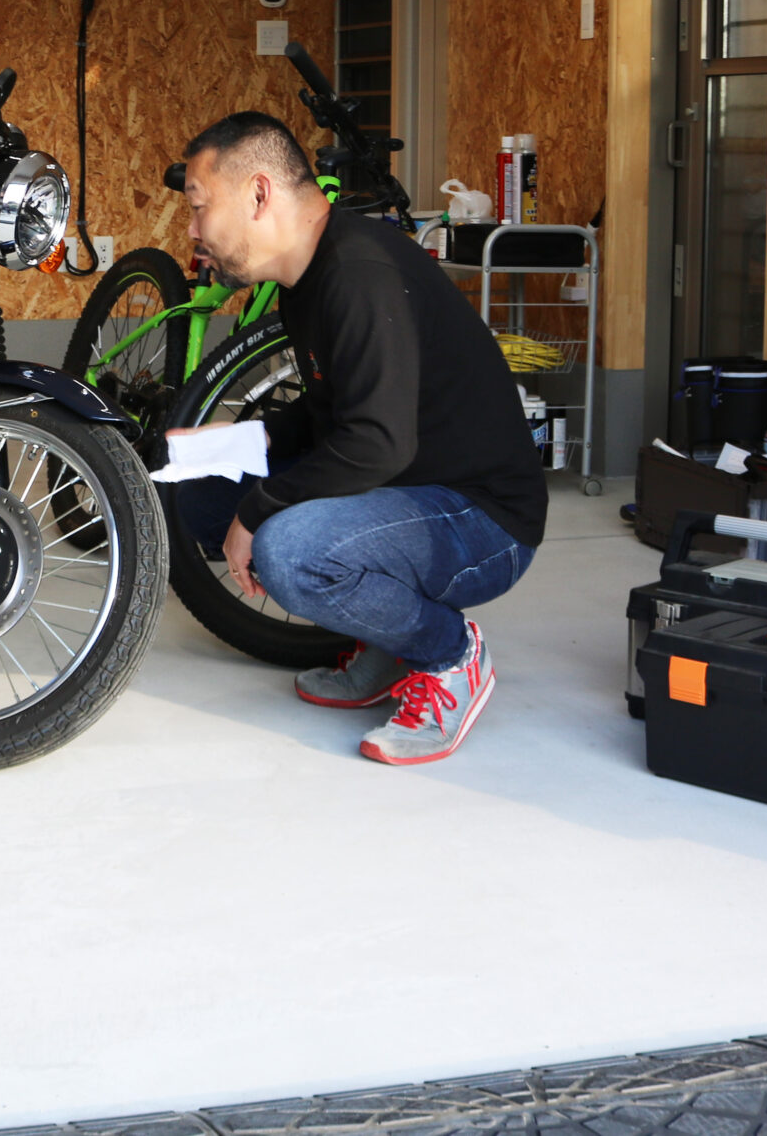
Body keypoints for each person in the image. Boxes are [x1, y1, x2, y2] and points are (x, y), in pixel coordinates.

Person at [166, 111, 546, 765]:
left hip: (481, 516)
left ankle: (449, 654)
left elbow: (376, 443)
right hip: (403, 485)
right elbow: (334, 412)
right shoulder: (303, 281)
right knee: (200, 491)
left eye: (200, 207)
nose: (194, 230)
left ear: (259, 194)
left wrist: (258, 510)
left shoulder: (358, 272)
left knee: (289, 550)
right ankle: (388, 638)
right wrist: (244, 439)